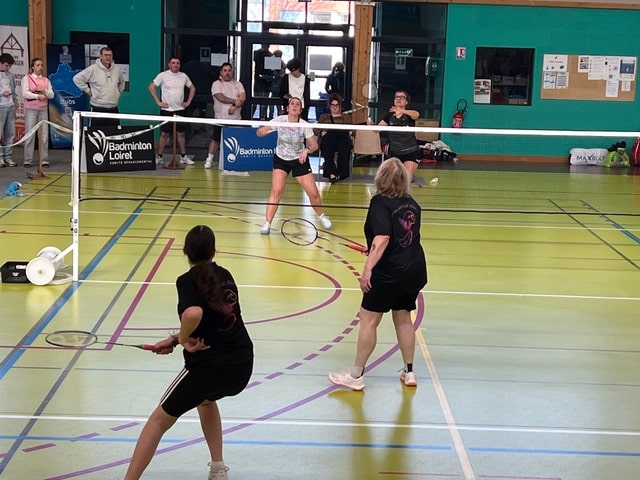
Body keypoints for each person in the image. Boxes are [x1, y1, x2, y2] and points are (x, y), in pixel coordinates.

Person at [124, 224, 254, 480]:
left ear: (185, 251)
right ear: (214, 251)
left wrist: (183, 339)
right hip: (241, 365)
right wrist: (175, 339)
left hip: (208, 369)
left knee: (158, 421)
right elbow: (215, 319)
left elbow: (194, 313)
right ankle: (218, 468)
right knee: (205, 400)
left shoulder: (186, 281)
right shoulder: (225, 275)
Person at [328, 157, 427, 390]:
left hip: (389, 273)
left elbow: (383, 238)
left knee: (368, 320)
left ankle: (355, 375)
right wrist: (372, 248)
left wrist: (368, 269)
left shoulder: (379, 202)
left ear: (381, 178)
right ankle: (409, 372)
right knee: (403, 318)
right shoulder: (412, 204)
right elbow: (401, 238)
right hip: (413, 270)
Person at [256, 97, 332, 235]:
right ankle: (267, 223)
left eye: (298, 104)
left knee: (313, 193)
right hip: (281, 159)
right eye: (292, 104)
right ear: (288, 108)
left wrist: (306, 150)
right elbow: (260, 132)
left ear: (300, 110)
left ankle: (322, 216)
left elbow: (314, 145)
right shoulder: (280, 121)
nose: (295, 106)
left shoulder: (304, 125)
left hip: (299, 160)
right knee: (276, 191)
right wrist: (261, 132)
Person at [148, 56, 196, 166]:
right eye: (173, 63)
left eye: (177, 63)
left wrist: (188, 102)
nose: (175, 65)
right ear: (169, 64)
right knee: (164, 134)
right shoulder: (163, 75)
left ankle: (183, 157)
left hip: (180, 110)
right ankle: (160, 157)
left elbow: (192, 88)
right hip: (167, 109)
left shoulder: (183, 76)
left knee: (181, 134)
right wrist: (158, 102)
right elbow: (151, 87)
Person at [205, 62, 246, 169]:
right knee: (216, 139)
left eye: (229, 70)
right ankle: (209, 159)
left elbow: (242, 98)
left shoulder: (238, 84)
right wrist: (235, 101)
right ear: (221, 72)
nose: (227, 73)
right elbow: (221, 98)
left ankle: (237, 161)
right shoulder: (216, 84)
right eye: (225, 70)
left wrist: (235, 106)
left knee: (236, 140)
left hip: (236, 119)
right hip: (220, 119)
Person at [73, 46, 125, 127]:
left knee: (114, 132)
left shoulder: (117, 69)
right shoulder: (93, 69)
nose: (108, 57)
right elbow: (77, 78)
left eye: (110, 55)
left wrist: (118, 92)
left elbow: (122, 81)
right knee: (96, 132)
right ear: (100, 56)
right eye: (105, 55)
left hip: (113, 108)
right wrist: (87, 90)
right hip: (98, 108)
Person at [377, 90, 421, 180]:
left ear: (406, 102)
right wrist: (370, 125)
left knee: (406, 179)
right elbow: (377, 129)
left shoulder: (409, 115)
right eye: (397, 97)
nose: (399, 99)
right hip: (395, 153)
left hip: (411, 153)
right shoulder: (389, 115)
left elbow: (416, 114)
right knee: (393, 179)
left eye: (402, 97)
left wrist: (401, 110)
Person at [22, 57, 55, 168]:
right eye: (38, 65)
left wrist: (44, 90)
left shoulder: (46, 80)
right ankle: (28, 160)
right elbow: (25, 93)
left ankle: (44, 159)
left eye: (41, 65)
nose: (40, 67)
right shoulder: (27, 78)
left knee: (44, 136)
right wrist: (37, 96)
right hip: (31, 109)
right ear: (33, 67)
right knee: (30, 134)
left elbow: (51, 95)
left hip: (43, 109)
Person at [315, 93, 352, 183]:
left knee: (345, 144)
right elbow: (315, 129)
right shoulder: (324, 117)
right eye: (333, 105)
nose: (335, 107)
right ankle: (331, 172)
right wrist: (321, 132)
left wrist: (351, 132)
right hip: (329, 139)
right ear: (329, 106)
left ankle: (341, 172)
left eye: (337, 105)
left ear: (340, 106)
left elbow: (353, 129)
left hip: (342, 139)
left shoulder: (346, 117)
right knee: (327, 142)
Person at [0, 53, 17, 167]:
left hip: (10, 106)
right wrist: (1, 93)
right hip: (1, 106)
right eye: (6, 65)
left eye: (10, 66)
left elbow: (13, 89)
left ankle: (8, 156)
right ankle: (0, 157)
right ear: (0, 63)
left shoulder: (10, 75)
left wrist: (14, 101)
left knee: (10, 133)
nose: (8, 68)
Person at [253, 44, 273, 121]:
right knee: (261, 100)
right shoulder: (269, 55)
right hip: (264, 80)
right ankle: (262, 117)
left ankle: (256, 116)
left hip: (262, 80)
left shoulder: (257, 53)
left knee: (258, 100)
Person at [268, 50, 286, 119]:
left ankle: (272, 115)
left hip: (277, 85)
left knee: (274, 102)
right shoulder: (281, 63)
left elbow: (278, 75)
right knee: (277, 103)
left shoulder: (279, 63)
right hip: (278, 85)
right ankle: (277, 115)